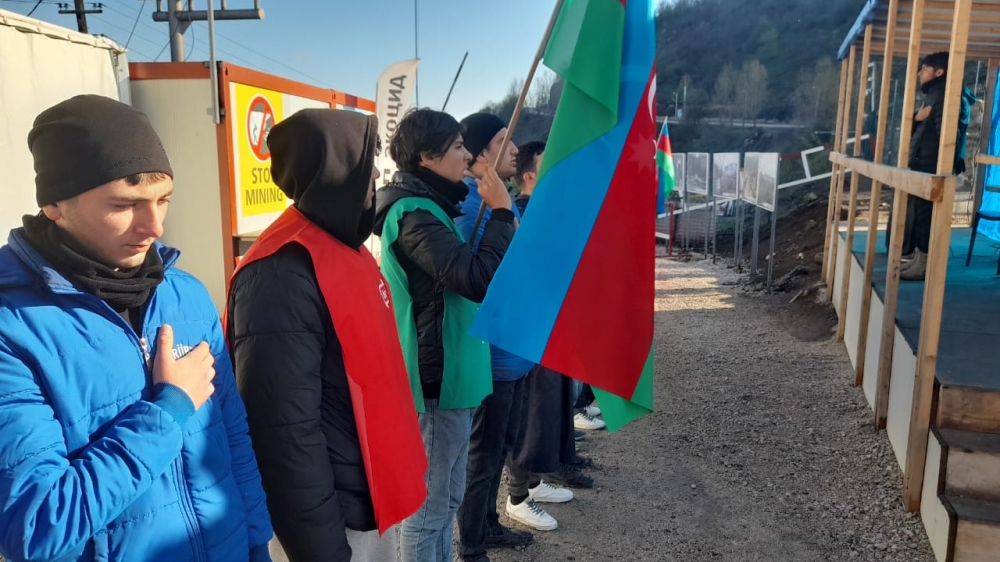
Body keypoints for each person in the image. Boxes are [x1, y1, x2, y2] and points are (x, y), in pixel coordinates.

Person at [0, 95, 273, 562]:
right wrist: (168, 411)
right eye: (125, 204)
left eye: (163, 199)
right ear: (55, 206)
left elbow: (232, 435)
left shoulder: (186, 294)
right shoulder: (14, 326)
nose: (155, 226)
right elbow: (35, 528)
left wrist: (256, 541)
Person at [226, 109, 428, 562]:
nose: (375, 173)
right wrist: (323, 550)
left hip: (365, 498)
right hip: (334, 519)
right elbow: (283, 432)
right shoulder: (280, 272)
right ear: (333, 168)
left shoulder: (344, 248)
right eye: (364, 161)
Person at [373, 108, 516, 562]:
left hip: (455, 375)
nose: (466, 155)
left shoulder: (433, 207)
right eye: (456, 147)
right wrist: (501, 213)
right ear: (427, 157)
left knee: (448, 499)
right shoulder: (413, 214)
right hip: (437, 379)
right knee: (429, 509)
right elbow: (474, 278)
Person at [452, 114, 545, 560]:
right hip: (493, 354)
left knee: (503, 444)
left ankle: (489, 524)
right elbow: (492, 273)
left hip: (515, 348)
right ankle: (471, 546)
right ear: (479, 155)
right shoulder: (472, 209)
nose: (515, 149)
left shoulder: (498, 201)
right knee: (484, 454)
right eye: (503, 141)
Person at [899, 52, 974, 281]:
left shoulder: (944, 96)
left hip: (932, 167)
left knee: (927, 215)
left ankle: (925, 264)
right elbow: (924, 129)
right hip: (924, 164)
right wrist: (915, 118)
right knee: (922, 215)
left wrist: (942, 168)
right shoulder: (934, 94)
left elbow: (946, 136)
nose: (920, 73)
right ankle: (919, 258)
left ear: (939, 72)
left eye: (925, 68)